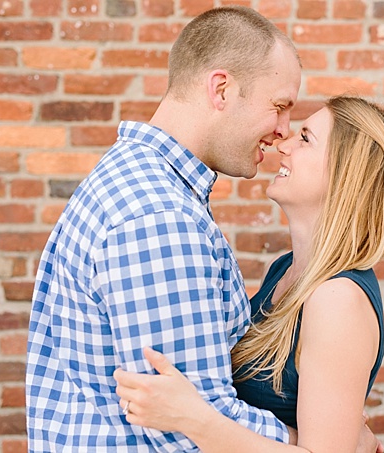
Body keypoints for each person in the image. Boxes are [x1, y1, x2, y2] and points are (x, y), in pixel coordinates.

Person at [25, 6, 305, 451]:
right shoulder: (158, 217)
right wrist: (325, 441)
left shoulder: (139, 184)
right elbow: (186, 432)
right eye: (279, 106)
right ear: (222, 89)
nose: (283, 131)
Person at [114, 95, 384, 452]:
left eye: (305, 139)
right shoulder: (285, 271)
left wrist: (191, 418)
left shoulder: (337, 300)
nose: (283, 144)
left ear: (346, 174)